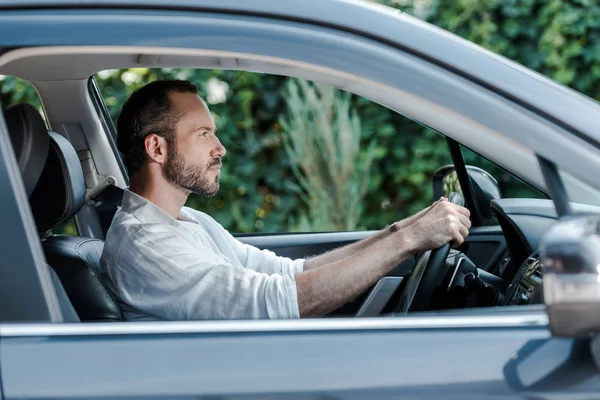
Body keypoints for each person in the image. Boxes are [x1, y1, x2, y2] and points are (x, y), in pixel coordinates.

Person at [99, 79, 471, 321]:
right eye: (203, 134)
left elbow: (291, 274)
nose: (220, 148)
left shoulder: (186, 221)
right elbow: (277, 301)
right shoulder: (145, 244)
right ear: (157, 147)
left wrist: (403, 230)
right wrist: (409, 240)